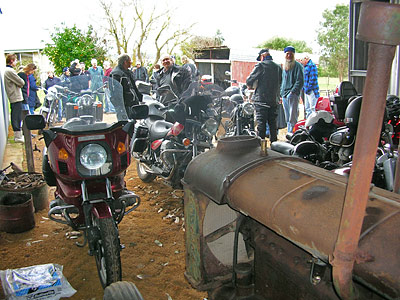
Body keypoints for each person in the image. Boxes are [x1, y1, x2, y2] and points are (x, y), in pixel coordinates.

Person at [246, 49, 282, 142]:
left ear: (262, 56)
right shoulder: (278, 67)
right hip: (274, 100)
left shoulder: (261, 65)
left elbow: (249, 80)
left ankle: (261, 147)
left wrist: (250, 86)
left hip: (261, 100)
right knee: (273, 125)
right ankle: (274, 145)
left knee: (261, 125)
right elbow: (280, 82)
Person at [110, 54, 143, 119]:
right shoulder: (116, 74)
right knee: (124, 123)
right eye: (130, 61)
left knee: (133, 122)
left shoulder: (128, 72)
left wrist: (139, 97)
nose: (131, 62)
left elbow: (133, 87)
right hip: (124, 104)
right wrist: (120, 104)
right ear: (125, 62)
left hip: (131, 103)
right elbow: (114, 91)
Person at [280, 46, 304, 133]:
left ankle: (293, 133)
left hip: (292, 94)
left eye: (291, 54)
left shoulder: (298, 66)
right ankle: (289, 133)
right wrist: (281, 93)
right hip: (285, 94)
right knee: (287, 116)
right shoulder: (285, 66)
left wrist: (293, 91)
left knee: (292, 117)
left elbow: (300, 81)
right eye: (287, 54)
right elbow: (283, 81)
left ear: (293, 55)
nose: (289, 55)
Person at [4, 54, 25, 143]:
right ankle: (17, 136)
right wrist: (19, 84)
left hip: (15, 96)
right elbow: (21, 82)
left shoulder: (8, 71)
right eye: (15, 60)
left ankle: (18, 135)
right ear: (11, 61)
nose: (16, 62)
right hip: (15, 96)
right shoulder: (10, 71)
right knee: (16, 116)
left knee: (17, 115)